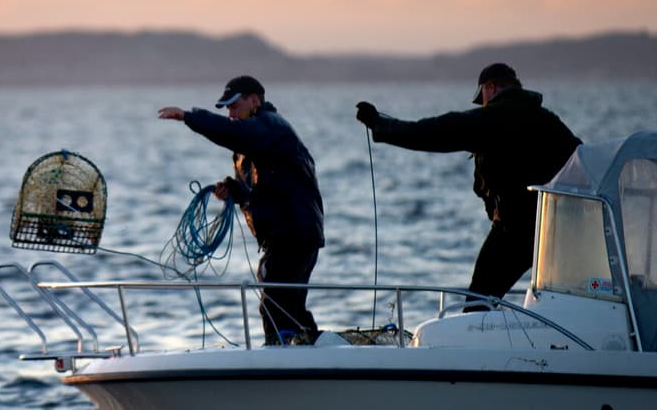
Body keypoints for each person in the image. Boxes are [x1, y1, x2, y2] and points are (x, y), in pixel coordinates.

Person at [355, 63, 581, 310]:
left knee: (478, 303)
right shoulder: (549, 121)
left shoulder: (492, 119)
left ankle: (476, 345)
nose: (483, 103)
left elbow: (431, 132)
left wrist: (379, 124)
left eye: (483, 97)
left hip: (514, 231)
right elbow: (583, 162)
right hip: (558, 228)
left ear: (490, 87)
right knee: (564, 296)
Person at [159, 75, 325, 345]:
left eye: (234, 106)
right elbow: (263, 193)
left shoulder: (270, 126)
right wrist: (233, 191)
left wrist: (189, 117)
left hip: (293, 233)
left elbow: (233, 133)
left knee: (275, 304)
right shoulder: (253, 141)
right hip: (289, 233)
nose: (230, 113)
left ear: (255, 101)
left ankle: (281, 355)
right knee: (289, 306)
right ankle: (314, 351)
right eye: (226, 108)